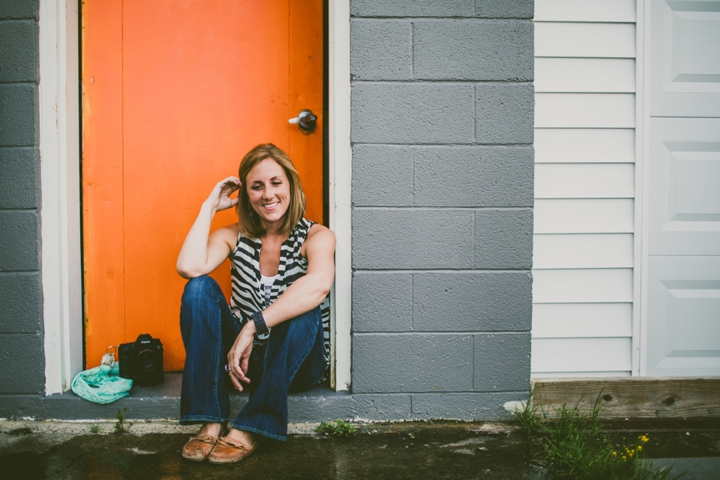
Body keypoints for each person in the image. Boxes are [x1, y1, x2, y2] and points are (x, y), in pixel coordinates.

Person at [176, 143, 335, 464]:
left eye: (276, 183)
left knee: (302, 306)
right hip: (243, 364)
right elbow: (189, 267)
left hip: (298, 362)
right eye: (257, 186)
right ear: (247, 195)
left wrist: (253, 325)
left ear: (291, 186)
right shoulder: (235, 235)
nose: (268, 194)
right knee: (198, 288)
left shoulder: (317, 236)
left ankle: (252, 427)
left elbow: (318, 286)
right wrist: (209, 206)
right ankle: (211, 418)